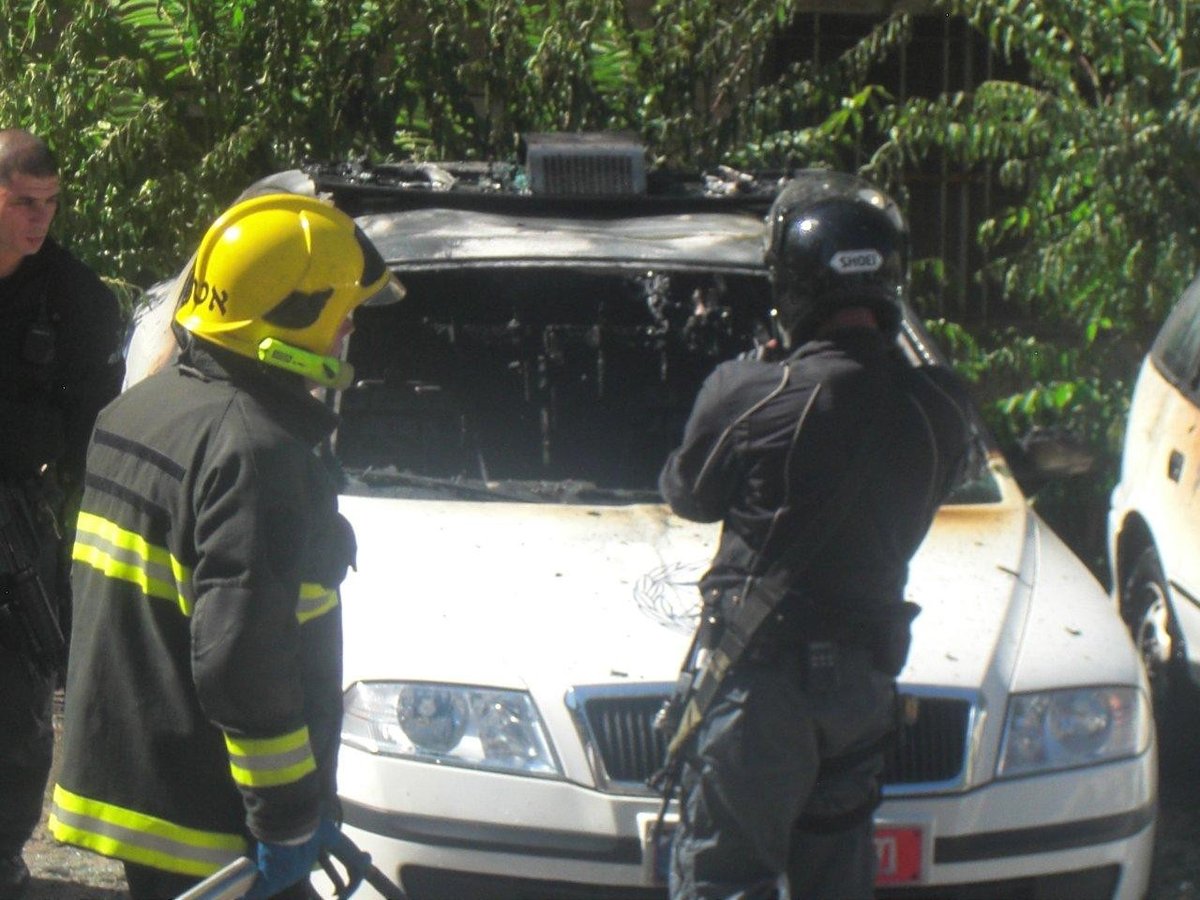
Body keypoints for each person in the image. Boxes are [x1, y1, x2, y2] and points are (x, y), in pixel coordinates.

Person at [49, 192, 401, 899]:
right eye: (340, 308)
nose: (349, 326)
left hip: (136, 791)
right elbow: (243, 661)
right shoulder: (256, 452)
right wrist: (288, 817)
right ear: (286, 315)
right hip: (211, 821)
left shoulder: (139, 408)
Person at [658, 171, 974, 900]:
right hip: (863, 690)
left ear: (792, 284)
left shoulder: (749, 391)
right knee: (837, 876)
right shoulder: (940, 407)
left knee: (726, 879)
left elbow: (688, 494)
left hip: (761, 688)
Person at [0, 129, 124, 900]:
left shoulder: (74, 300)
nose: (37, 219)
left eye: (48, 203)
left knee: (17, 713)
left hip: (17, 536)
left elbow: (96, 438)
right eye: (21, 203)